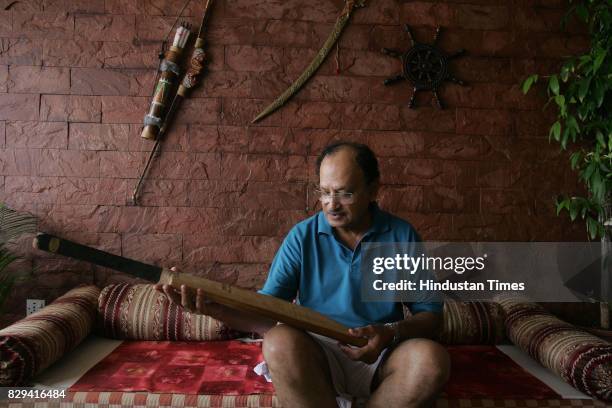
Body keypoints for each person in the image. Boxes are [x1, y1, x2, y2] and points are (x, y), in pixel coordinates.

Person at [157, 142, 450, 408]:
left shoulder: (401, 235)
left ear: (373, 190)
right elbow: (266, 311)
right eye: (324, 192)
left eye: (345, 193)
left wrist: (389, 333)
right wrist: (214, 309)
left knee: (431, 360)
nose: (331, 205)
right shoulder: (303, 236)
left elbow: (431, 316)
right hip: (319, 356)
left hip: (381, 353)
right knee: (278, 341)